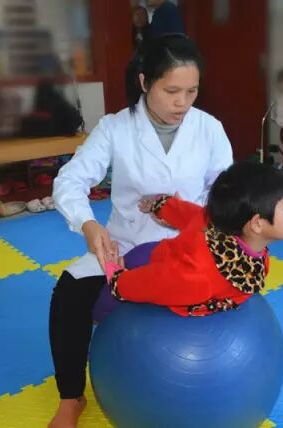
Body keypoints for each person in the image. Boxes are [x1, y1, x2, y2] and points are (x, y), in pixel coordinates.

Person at [48, 35, 232, 427]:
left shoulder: (209, 128)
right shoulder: (115, 128)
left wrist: (194, 215)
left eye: (192, 91)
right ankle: (71, 397)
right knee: (68, 294)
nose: (183, 103)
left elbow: (227, 193)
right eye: (172, 91)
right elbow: (69, 180)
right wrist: (88, 224)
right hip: (125, 244)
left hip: (191, 248)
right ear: (145, 82)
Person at [104, 162, 283, 315]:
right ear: (256, 224)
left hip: (181, 273)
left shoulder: (232, 230)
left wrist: (163, 206)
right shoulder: (199, 277)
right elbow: (156, 283)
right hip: (152, 266)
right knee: (104, 307)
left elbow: (191, 214)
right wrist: (119, 281)